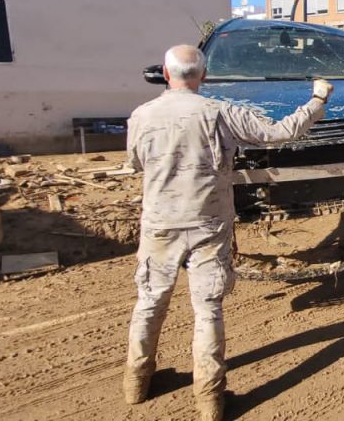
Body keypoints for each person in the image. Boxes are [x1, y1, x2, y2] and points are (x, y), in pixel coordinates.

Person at [122, 44, 331, 421]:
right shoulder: (219, 112)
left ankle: (136, 384)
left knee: (150, 301)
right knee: (207, 310)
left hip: (159, 224)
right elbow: (278, 133)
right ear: (203, 76)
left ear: (166, 75)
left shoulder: (141, 115)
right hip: (208, 223)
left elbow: (136, 162)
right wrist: (317, 99)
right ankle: (210, 402)